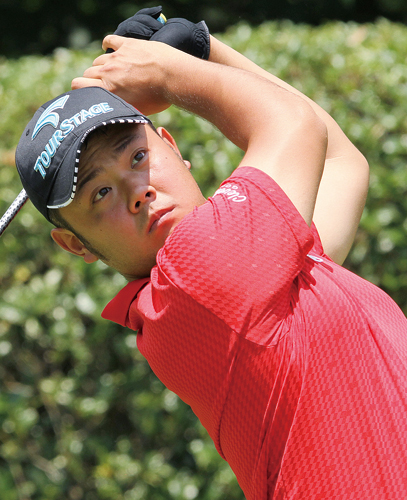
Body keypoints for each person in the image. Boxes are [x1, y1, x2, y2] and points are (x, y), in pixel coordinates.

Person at [15, 11, 407, 499]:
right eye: (100, 193)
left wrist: (202, 50)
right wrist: (167, 71)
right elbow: (295, 124)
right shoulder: (193, 280)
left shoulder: (263, 266)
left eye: (137, 157)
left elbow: (338, 163)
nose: (137, 191)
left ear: (171, 146)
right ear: (76, 244)